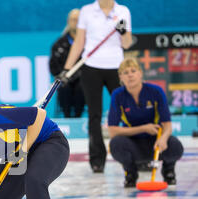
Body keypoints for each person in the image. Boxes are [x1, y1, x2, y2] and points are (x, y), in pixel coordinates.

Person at [62, 0, 132, 173]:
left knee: (125, 111)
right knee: (94, 115)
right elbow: (79, 43)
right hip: (91, 67)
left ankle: (133, 154)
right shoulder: (86, 11)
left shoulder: (123, 11)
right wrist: (66, 69)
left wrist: (122, 31)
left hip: (116, 66)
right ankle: (97, 160)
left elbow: (127, 44)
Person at [108, 57, 183, 187]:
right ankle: (130, 173)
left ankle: (169, 170)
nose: (130, 75)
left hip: (156, 143)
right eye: (125, 72)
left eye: (133, 70)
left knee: (175, 145)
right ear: (120, 77)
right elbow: (113, 131)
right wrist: (143, 128)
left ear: (141, 73)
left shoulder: (156, 91)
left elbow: (167, 124)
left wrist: (163, 139)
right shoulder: (118, 95)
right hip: (132, 144)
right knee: (115, 144)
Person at [49, 9, 85, 118]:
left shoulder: (89, 43)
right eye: (74, 20)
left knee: (82, 87)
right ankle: (67, 118)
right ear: (68, 21)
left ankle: (78, 118)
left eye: (79, 20)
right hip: (65, 80)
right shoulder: (58, 44)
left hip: (83, 80)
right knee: (64, 87)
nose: (76, 22)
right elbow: (53, 66)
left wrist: (77, 76)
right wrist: (64, 76)